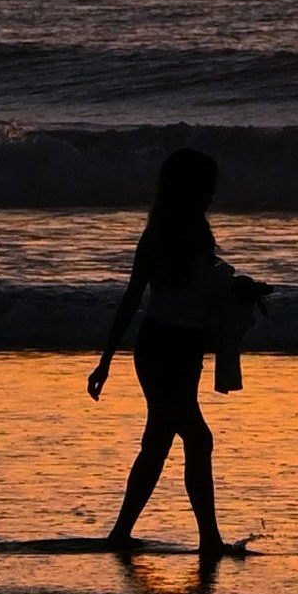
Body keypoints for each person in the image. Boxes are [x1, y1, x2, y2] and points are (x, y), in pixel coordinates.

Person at [87, 147, 259, 555]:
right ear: (189, 188)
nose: (214, 194)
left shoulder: (200, 233)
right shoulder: (158, 235)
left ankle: (120, 535)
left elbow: (204, 290)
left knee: (159, 442)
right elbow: (131, 299)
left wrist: (242, 290)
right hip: (160, 346)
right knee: (198, 439)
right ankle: (209, 541)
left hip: (187, 348)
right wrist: (105, 362)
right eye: (207, 187)